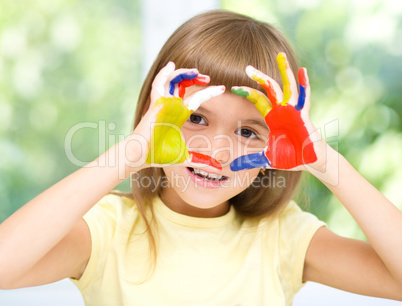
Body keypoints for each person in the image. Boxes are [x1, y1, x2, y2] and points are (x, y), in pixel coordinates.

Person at [0, 9, 401, 306]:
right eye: (195, 118)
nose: (215, 151)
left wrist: (326, 162)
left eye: (247, 131)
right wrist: (129, 154)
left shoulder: (282, 236)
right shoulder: (108, 231)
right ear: (152, 115)